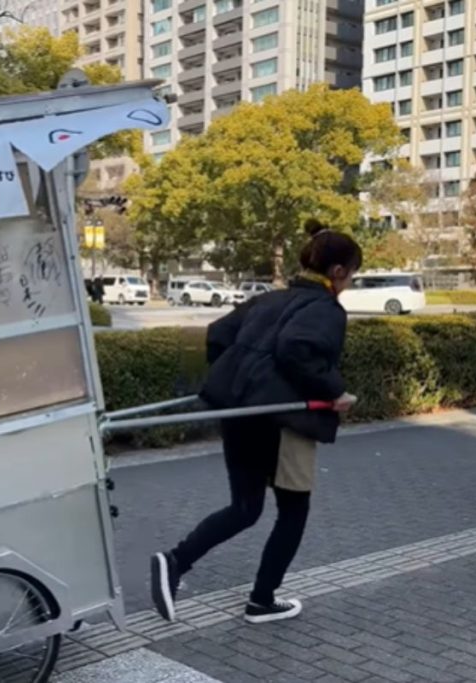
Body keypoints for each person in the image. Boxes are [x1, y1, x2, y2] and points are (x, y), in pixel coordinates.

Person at [150, 220, 361, 625]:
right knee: (293, 510)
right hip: (283, 422)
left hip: (240, 413)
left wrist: (243, 380)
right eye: (352, 275)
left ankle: (174, 561)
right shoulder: (326, 309)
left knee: (246, 507)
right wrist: (336, 391)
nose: (350, 282)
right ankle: (262, 599)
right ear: (337, 272)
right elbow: (296, 348)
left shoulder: (268, 300)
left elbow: (217, 334)